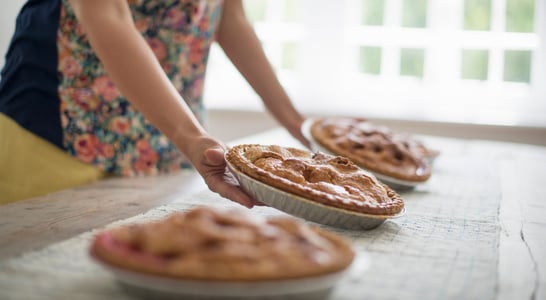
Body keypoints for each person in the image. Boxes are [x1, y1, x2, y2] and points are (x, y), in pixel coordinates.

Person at [0, 0, 309, 206]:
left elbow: (230, 16)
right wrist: (193, 138)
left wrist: (299, 124)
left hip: (164, 141)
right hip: (54, 130)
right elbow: (108, 15)